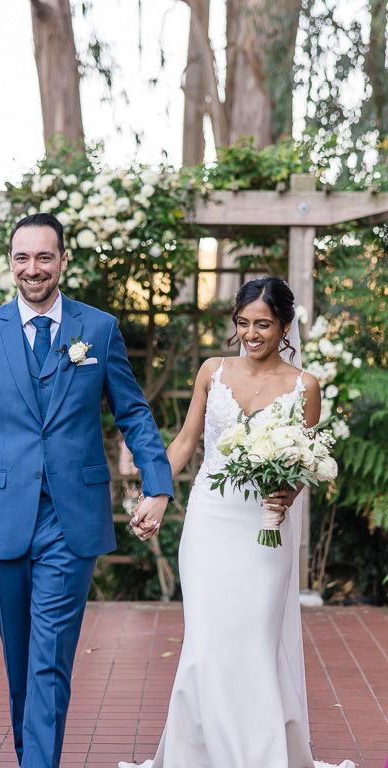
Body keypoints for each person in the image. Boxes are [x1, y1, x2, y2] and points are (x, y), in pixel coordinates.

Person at [0, 212, 173, 768]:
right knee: (21, 659)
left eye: (44, 257)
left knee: (49, 657)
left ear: (63, 260)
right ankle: (33, 756)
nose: (33, 269)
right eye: (22, 257)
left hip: (70, 518)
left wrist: (158, 483)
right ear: (10, 261)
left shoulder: (96, 329)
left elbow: (134, 413)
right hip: (1, 515)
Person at [121, 276, 354, 768]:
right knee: (206, 642)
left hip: (265, 528)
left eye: (263, 324)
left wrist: (286, 494)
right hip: (210, 521)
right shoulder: (213, 370)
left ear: (284, 326)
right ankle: (198, 756)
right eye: (244, 323)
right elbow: (186, 442)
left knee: (253, 641)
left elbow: (305, 465)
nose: (252, 333)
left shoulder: (304, 386)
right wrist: (154, 491)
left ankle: (259, 755)